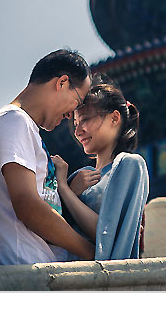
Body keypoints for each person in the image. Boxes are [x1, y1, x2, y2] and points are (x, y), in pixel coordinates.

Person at [0, 49, 95, 265]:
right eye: (77, 103)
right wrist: (90, 252)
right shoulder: (14, 121)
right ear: (62, 83)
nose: (72, 116)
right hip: (27, 268)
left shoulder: (24, 126)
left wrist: (67, 189)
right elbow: (27, 204)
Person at [51, 76, 149, 260]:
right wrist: (71, 188)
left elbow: (106, 235)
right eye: (75, 124)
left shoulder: (129, 164)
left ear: (114, 118)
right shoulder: (79, 176)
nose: (78, 131)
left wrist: (65, 190)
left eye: (85, 120)